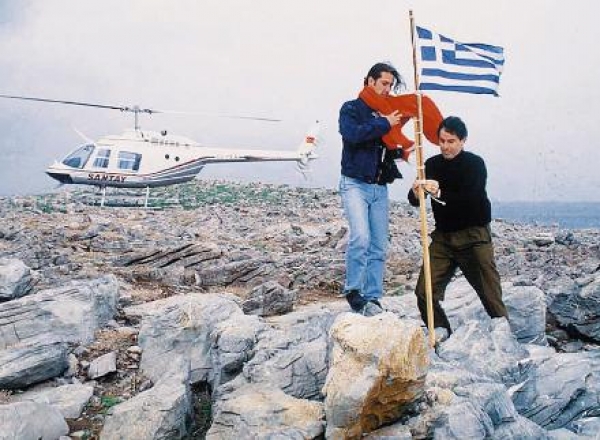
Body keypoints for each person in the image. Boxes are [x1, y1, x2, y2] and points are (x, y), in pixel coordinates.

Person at [408, 116, 508, 334]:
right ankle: (443, 335)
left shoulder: (474, 164)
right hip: (443, 239)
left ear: (463, 141)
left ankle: (505, 339)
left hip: (474, 237)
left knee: (490, 294)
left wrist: (440, 192)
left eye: (451, 141)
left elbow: (470, 198)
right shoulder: (431, 164)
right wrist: (417, 192)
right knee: (424, 292)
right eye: (442, 140)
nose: (445, 146)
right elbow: (414, 200)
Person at [338, 62, 405, 315]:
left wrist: (401, 149)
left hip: (379, 187)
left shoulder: (386, 113)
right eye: (384, 83)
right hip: (354, 183)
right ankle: (353, 291)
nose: (388, 89)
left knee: (378, 244)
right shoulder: (351, 108)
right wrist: (384, 124)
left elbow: (386, 145)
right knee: (361, 238)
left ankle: (373, 296)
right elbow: (352, 134)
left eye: (391, 85)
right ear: (370, 81)